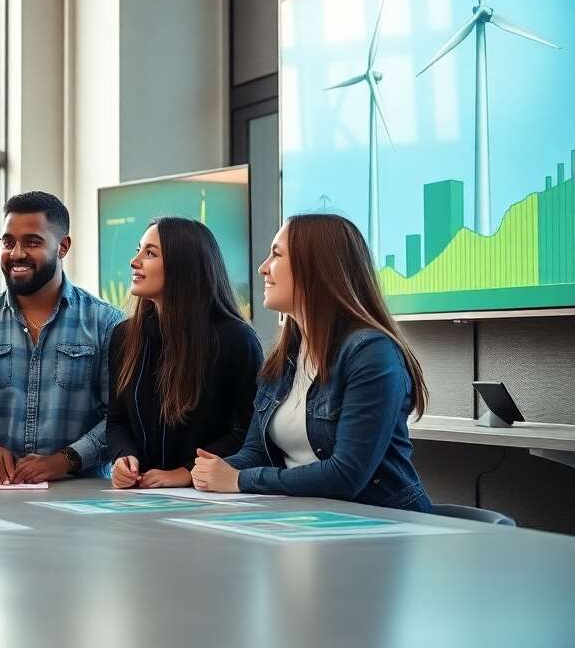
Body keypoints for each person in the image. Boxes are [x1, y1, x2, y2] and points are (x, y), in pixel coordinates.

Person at [191, 214, 433, 512]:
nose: (263, 267)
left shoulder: (371, 353)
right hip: (308, 523)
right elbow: (256, 451)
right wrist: (214, 470)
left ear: (316, 268)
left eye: (276, 255)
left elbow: (345, 475)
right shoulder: (284, 358)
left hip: (382, 524)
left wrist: (240, 479)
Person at [0, 191, 123, 484]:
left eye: (32, 242)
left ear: (63, 247)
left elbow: (121, 418)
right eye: (8, 242)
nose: (16, 253)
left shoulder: (106, 323)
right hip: (1, 496)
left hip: (86, 499)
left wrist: (66, 460)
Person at [108, 218, 263, 489]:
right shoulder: (124, 336)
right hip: (142, 496)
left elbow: (252, 430)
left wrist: (187, 471)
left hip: (211, 497)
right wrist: (124, 457)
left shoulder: (236, 339)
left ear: (184, 266)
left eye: (150, 253)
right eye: (138, 250)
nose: (135, 262)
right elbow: (117, 420)